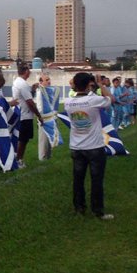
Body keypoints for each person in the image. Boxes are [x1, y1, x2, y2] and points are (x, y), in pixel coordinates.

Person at [65, 73, 115, 220]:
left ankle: (79, 208)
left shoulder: (68, 102)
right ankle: (98, 211)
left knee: (78, 180)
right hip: (94, 147)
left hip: (76, 147)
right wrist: (100, 85)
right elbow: (111, 99)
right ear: (89, 85)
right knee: (96, 180)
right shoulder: (94, 100)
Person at [11, 64, 43, 168]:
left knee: (23, 139)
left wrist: (32, 90)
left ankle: (17, 158)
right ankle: (19, 160)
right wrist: (38, 115)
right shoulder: (22, 84)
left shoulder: (19, 82)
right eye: (29, 70)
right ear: (25, 71)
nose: (30, 72)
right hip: (24, 115)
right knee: (23, 139)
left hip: (22, 114)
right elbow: (30, 102)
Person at [36, 74, 60, 161]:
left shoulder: (50, 91)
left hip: (52, 119)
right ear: (41, 82)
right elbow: (39, 107)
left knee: (50, 140)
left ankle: (48, 157)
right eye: (46, 80)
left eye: (49, 79)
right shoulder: (40, 92)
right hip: (45, 120)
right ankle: (42, 158)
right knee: (44, 141)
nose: (49, 81)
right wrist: (40, 119)